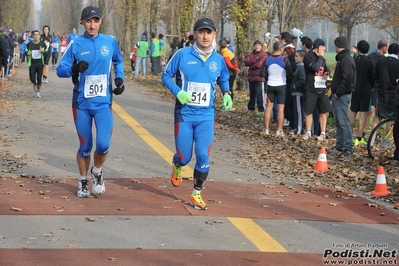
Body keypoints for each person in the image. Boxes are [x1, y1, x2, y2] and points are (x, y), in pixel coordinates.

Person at [161, 17, 232, 210]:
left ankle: (196, 193)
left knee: (203, 156)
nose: (205, 36)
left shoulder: (218, 59)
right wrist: (178, 91)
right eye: (201, 32)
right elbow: (165, 75)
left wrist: (226, 93)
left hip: (206, 116)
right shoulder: (182, 55)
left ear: (214, 34)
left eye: (209, 32)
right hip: (184, 114)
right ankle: (177, 164)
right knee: (185, 158)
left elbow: (224, 78)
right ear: (195, 34)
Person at [56, 5, 125, 198]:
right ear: (82, 22)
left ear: (101, 21)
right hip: (82, 104)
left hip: (103, 103)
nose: (92, 25)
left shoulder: (109, 41)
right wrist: (74, 68)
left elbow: (118, 61)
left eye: (95, 20)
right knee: (85, 146)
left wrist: (119, 78)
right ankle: (83, 181)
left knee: (103, 145)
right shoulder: (76, 43)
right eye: (88, 21)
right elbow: (61, 69)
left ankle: (97, 170)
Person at [260, 41, 293, 136]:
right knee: (281, 109)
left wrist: (269, 76)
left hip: (270, 85)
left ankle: (266, 129)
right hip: (281, 86)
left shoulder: (267, 59)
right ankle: (279, 130)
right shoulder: (284, 59)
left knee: (268, 108)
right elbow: (290, 74)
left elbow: (261, 74)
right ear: (281, 49)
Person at [331, 36, 356, 157]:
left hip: (342, 95)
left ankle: (347, 147)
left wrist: (338, 92)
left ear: (337, 45)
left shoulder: (346, 59)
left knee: (343, 121)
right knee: (338, 121)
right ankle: (340, 144)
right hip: (339, 95)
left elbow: (347, 78)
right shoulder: (343, 58)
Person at [302, 38, 331, 141]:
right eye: (323, 47)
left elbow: (326, 70)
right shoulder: (308, 56)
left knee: (323, 112)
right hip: (311, 88)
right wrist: (319, 58)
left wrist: (326, 75)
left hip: (322, 87)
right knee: (309, 111)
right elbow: (315, 68)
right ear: (319, 47)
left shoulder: (322, 58)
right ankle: (308, 132)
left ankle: (322, 133)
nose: (325, 49)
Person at [374, 43, 399, 148]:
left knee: (377, 117)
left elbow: (376, 76)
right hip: (393, 93)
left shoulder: (380, 61)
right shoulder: (397, 63)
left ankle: (372, 139)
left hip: (381, 92)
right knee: (391, 118)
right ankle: (388, 140)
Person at [349, 40, 374, 146]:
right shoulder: (369, 62)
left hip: (355, 89)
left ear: (358, 49)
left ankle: (349, 136)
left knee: (353, 112)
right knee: (363, 114)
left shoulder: (354, 60)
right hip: (366, 90)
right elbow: (372, 78)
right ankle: (358, 137)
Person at [366, 40, 389, 138]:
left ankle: (369, 134)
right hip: (374, 88)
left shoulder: (371, 56)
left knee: (372, 112)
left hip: (375, 88)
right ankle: (367, 134)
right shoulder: (381, 59)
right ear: (384, 48)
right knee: (371, 112)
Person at [244, 39, 268, 113]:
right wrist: (255, 60)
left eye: (259, 45)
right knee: (252, 95)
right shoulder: (251, 54)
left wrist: (251, 65)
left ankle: (261, 109)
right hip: (251, 78)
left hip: (259, 78)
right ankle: (251, 108)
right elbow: (246, 62)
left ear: (261, 46)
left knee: (260, 95)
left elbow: (260, 64)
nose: (257, 47)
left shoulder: (264, 54)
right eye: (256, 45)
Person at [25, 29, 47, 98]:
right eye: (35, 35)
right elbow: (26, 52)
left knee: (39, 78)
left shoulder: (42, 44)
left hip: (40, 63)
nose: (36, 36)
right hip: (32, 64)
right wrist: (28, 53)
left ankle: (38, 92)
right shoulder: (29, 44)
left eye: (38, 34)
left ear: (39, 36)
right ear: (33, 36)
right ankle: (34, 83)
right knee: (32, 78)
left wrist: (43, 51)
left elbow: (47, 52)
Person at [290, 50, 306, 135]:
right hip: (295, 93)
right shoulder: (298, 67)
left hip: (298, 93)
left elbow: (302, 79)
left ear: (302, 58)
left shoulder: (301, 67)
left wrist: (295, 86)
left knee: (299, 111)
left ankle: (299, 129)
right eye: (295, 56)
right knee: (296, 111)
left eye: (297, 56)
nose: (295, 58)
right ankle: (297, 128)